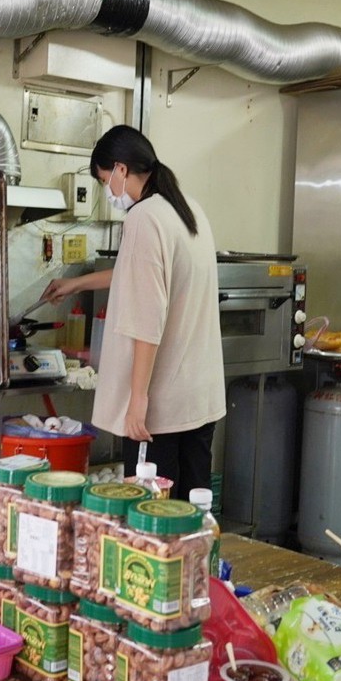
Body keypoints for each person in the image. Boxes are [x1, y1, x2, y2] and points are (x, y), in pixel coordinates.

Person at [45, 126, 224, 503]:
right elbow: (144, 273)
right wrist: (75, 284)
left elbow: (148, 316)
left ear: (121, 170)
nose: (107, 191)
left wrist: (137, 399)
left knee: (150, 521)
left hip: (161, 408)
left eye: (104, 180)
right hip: (198, 400)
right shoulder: (187, 209)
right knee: (193, 516)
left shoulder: (143, 217)